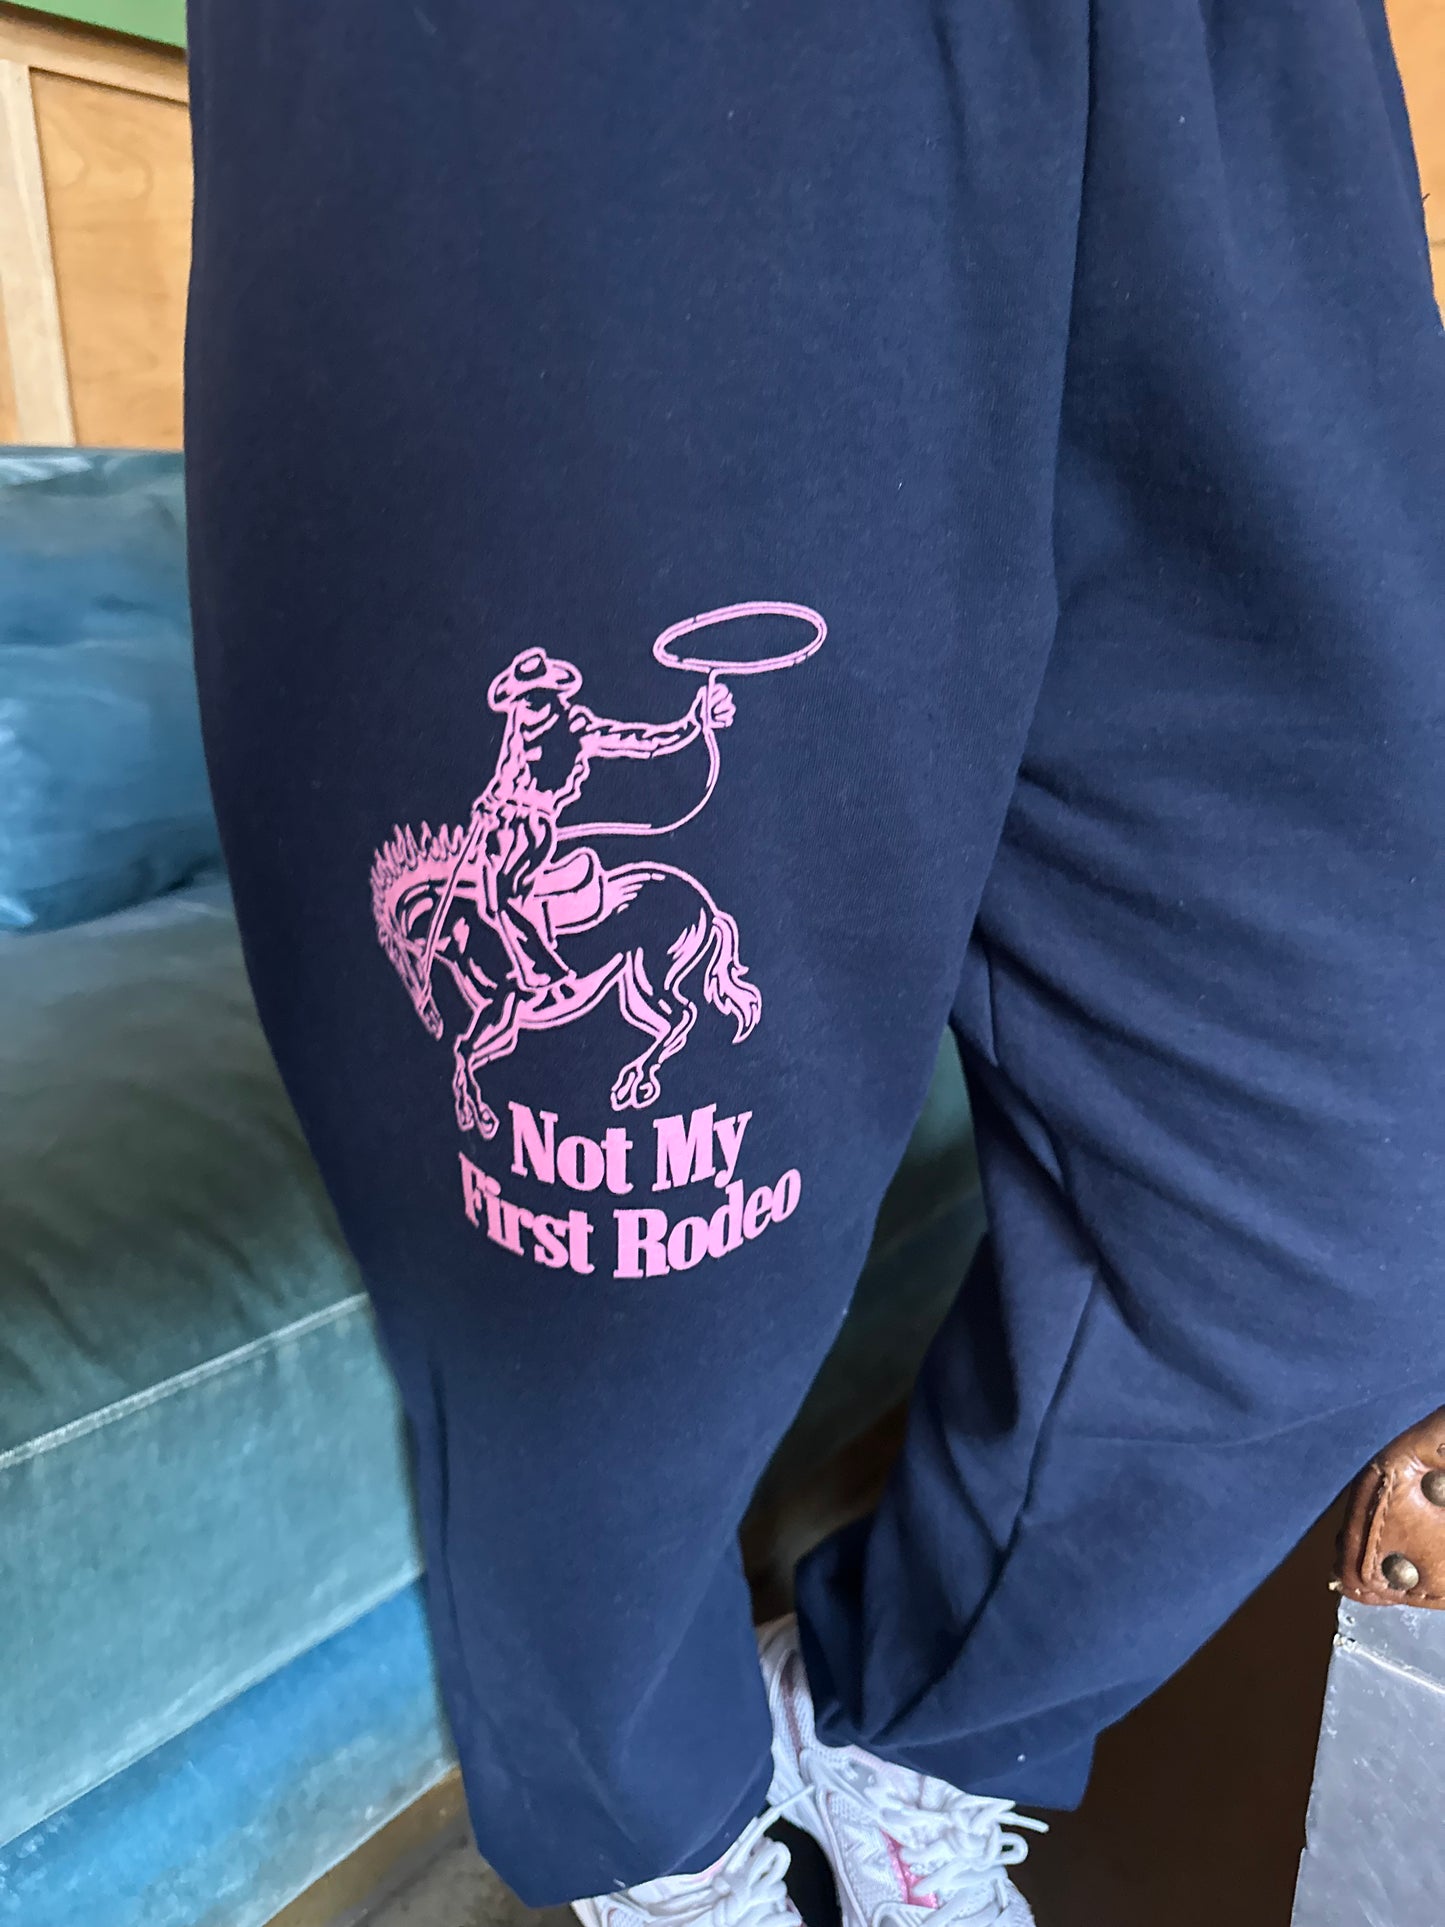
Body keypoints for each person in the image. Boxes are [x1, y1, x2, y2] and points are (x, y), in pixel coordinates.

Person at [183, 1, 1445, 1921]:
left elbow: (648, 754)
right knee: (610, 1273)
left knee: (1369, 1171)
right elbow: (584, 770)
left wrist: (682, 728)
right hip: (630, 64)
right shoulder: (528, 758)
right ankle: (663, 1846)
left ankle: (904, 1733)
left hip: (1228, 59)